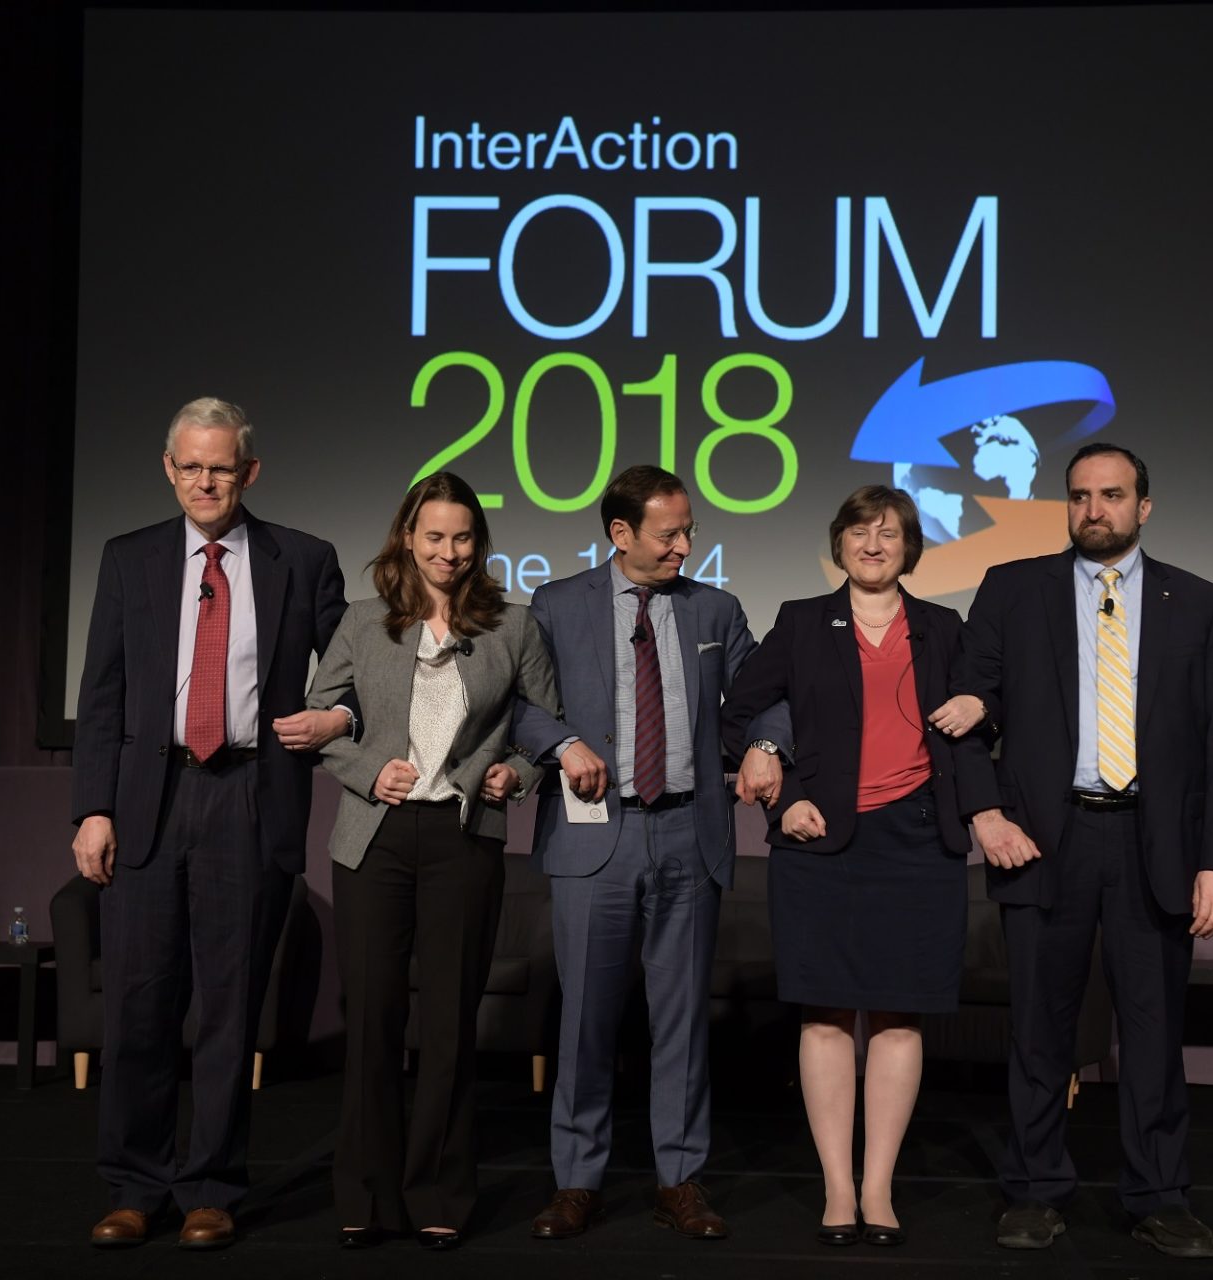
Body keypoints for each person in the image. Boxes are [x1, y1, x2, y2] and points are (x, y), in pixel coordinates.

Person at [71, 397, 348, 1250]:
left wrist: (336, 720)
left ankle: (211, 1186)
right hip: (150, 801)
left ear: (248, 472)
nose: (204, 481)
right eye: (189, 466)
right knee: (140, 1007)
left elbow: (354, 668)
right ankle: (135, 1185)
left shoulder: (302, 559)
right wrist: (92, 808)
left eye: (220, 468)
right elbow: (103, 695)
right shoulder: (130, 559)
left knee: (230, 1009)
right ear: (168, 468)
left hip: (249, 796)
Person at [962, 442, 1213, 1260]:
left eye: (1113, 495)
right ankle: (1034, 1190)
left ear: (1143, 506)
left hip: (1152, 840)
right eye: (1081, 495)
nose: (1095, 509)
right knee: (1039, 1028)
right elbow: (963, 713)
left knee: (1153, 1031)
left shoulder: (1198, 602)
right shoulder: (1015, 589)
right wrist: (984, 815)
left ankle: (1160, 1195)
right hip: (1043, 840)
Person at [511, 464, 788, 1242]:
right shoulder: (558, 605)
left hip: (685, 835)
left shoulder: (717, 609)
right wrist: (561, 743)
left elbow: (769, 692)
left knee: (681, 1022)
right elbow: (522, 703)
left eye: (689, 530)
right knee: (586, 1023)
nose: (685, 546)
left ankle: (679, 1177)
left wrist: (767, 742)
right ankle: (576, 1181)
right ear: (621, 534)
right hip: (595, 833)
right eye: (670, 534)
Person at [719, 485, 990, 1248]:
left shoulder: (943, 628)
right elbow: (742, 716)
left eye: (890, 534)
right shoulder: (802, 621)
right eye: (860, 533)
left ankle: (880, 1188)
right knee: (828, 1013)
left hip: (917, 841)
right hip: (819, 842)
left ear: (911, 547)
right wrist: (784, 800)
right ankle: (838, 1189)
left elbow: (970, 728)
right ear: (838, 544)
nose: (874, 546)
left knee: (901, 1015)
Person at [298, 472, 559, 1251]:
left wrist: (519, 772)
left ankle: (439, 1190)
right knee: (374, 1018)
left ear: (479, 544)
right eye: (435, 536)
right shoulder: (363, 622)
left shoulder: (512, 625)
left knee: (448, 1023)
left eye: (463, 538)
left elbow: (545, 728)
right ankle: (367, 1195)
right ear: (407, 538)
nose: (449, 552)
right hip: (374, 839)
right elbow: (328, 728)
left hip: (462, 836)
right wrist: (366, 768)